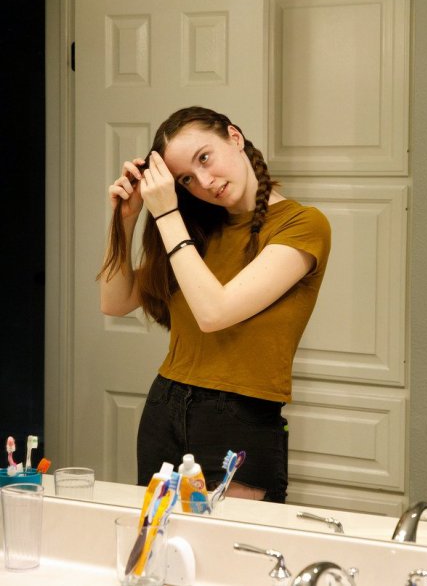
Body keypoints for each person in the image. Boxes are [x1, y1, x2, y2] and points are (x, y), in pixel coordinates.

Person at [99, 106, 331, 503]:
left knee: (230, 540)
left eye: (204, 157)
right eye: (186, 179)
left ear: (234, 137)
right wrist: (125, 219)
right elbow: (115, 301)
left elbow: (215, 313)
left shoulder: (302, 224)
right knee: (158, 536)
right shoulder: (198, 230)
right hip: (165, 404)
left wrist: (166, 213)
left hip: (240, 416)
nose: (204, 182)